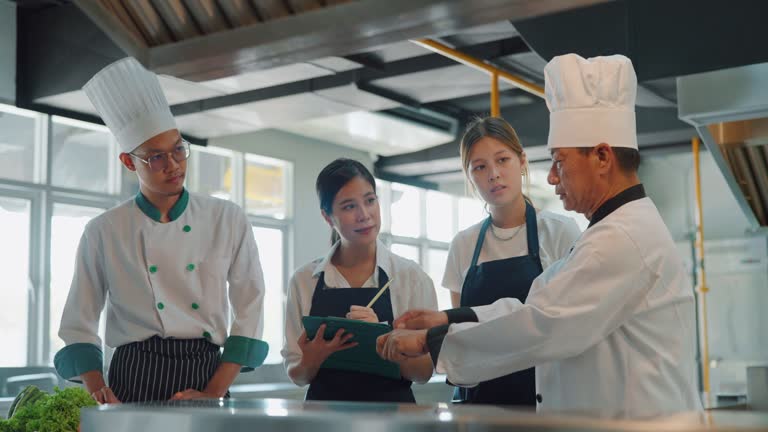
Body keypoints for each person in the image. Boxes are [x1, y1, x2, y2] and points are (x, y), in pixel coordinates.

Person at [376, 54, 701, 418]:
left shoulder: (623, 237)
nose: (551, 177)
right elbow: (534, 307)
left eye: (559, 161)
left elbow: (543, 325)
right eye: (480, 168)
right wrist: (447, 320)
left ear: (602, 158)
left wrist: (430, 342)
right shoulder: (607, 231)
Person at [55, 57, 268, 403]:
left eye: (178, 151)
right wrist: (100, 394)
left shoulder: (226, 218)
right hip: (132, 374)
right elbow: (79, 321)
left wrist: (212, 394)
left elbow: (250, 307)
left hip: (206, 370)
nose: (173, 166)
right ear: (128, 162)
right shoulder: (103, 230)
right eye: (156, 157)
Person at [441, 116, 581, 406]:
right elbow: (461, 331)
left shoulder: (558, 231)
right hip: (478, 401)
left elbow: (569, 326)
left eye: (502, 160)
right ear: (470, 177)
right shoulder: (463, 245)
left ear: (522, 161)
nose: (493, 174)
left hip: (544, 400)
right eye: (480, 167)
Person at [282, 158, 437, 402]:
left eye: (370, 200)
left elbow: (424, 372)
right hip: (324, 420)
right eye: (348, 206)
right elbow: (298, 375)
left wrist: (387, 340)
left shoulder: (410, 277)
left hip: (393, 420)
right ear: (327, 216)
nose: (364, 215)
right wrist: (312, 360)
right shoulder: (304, 281)